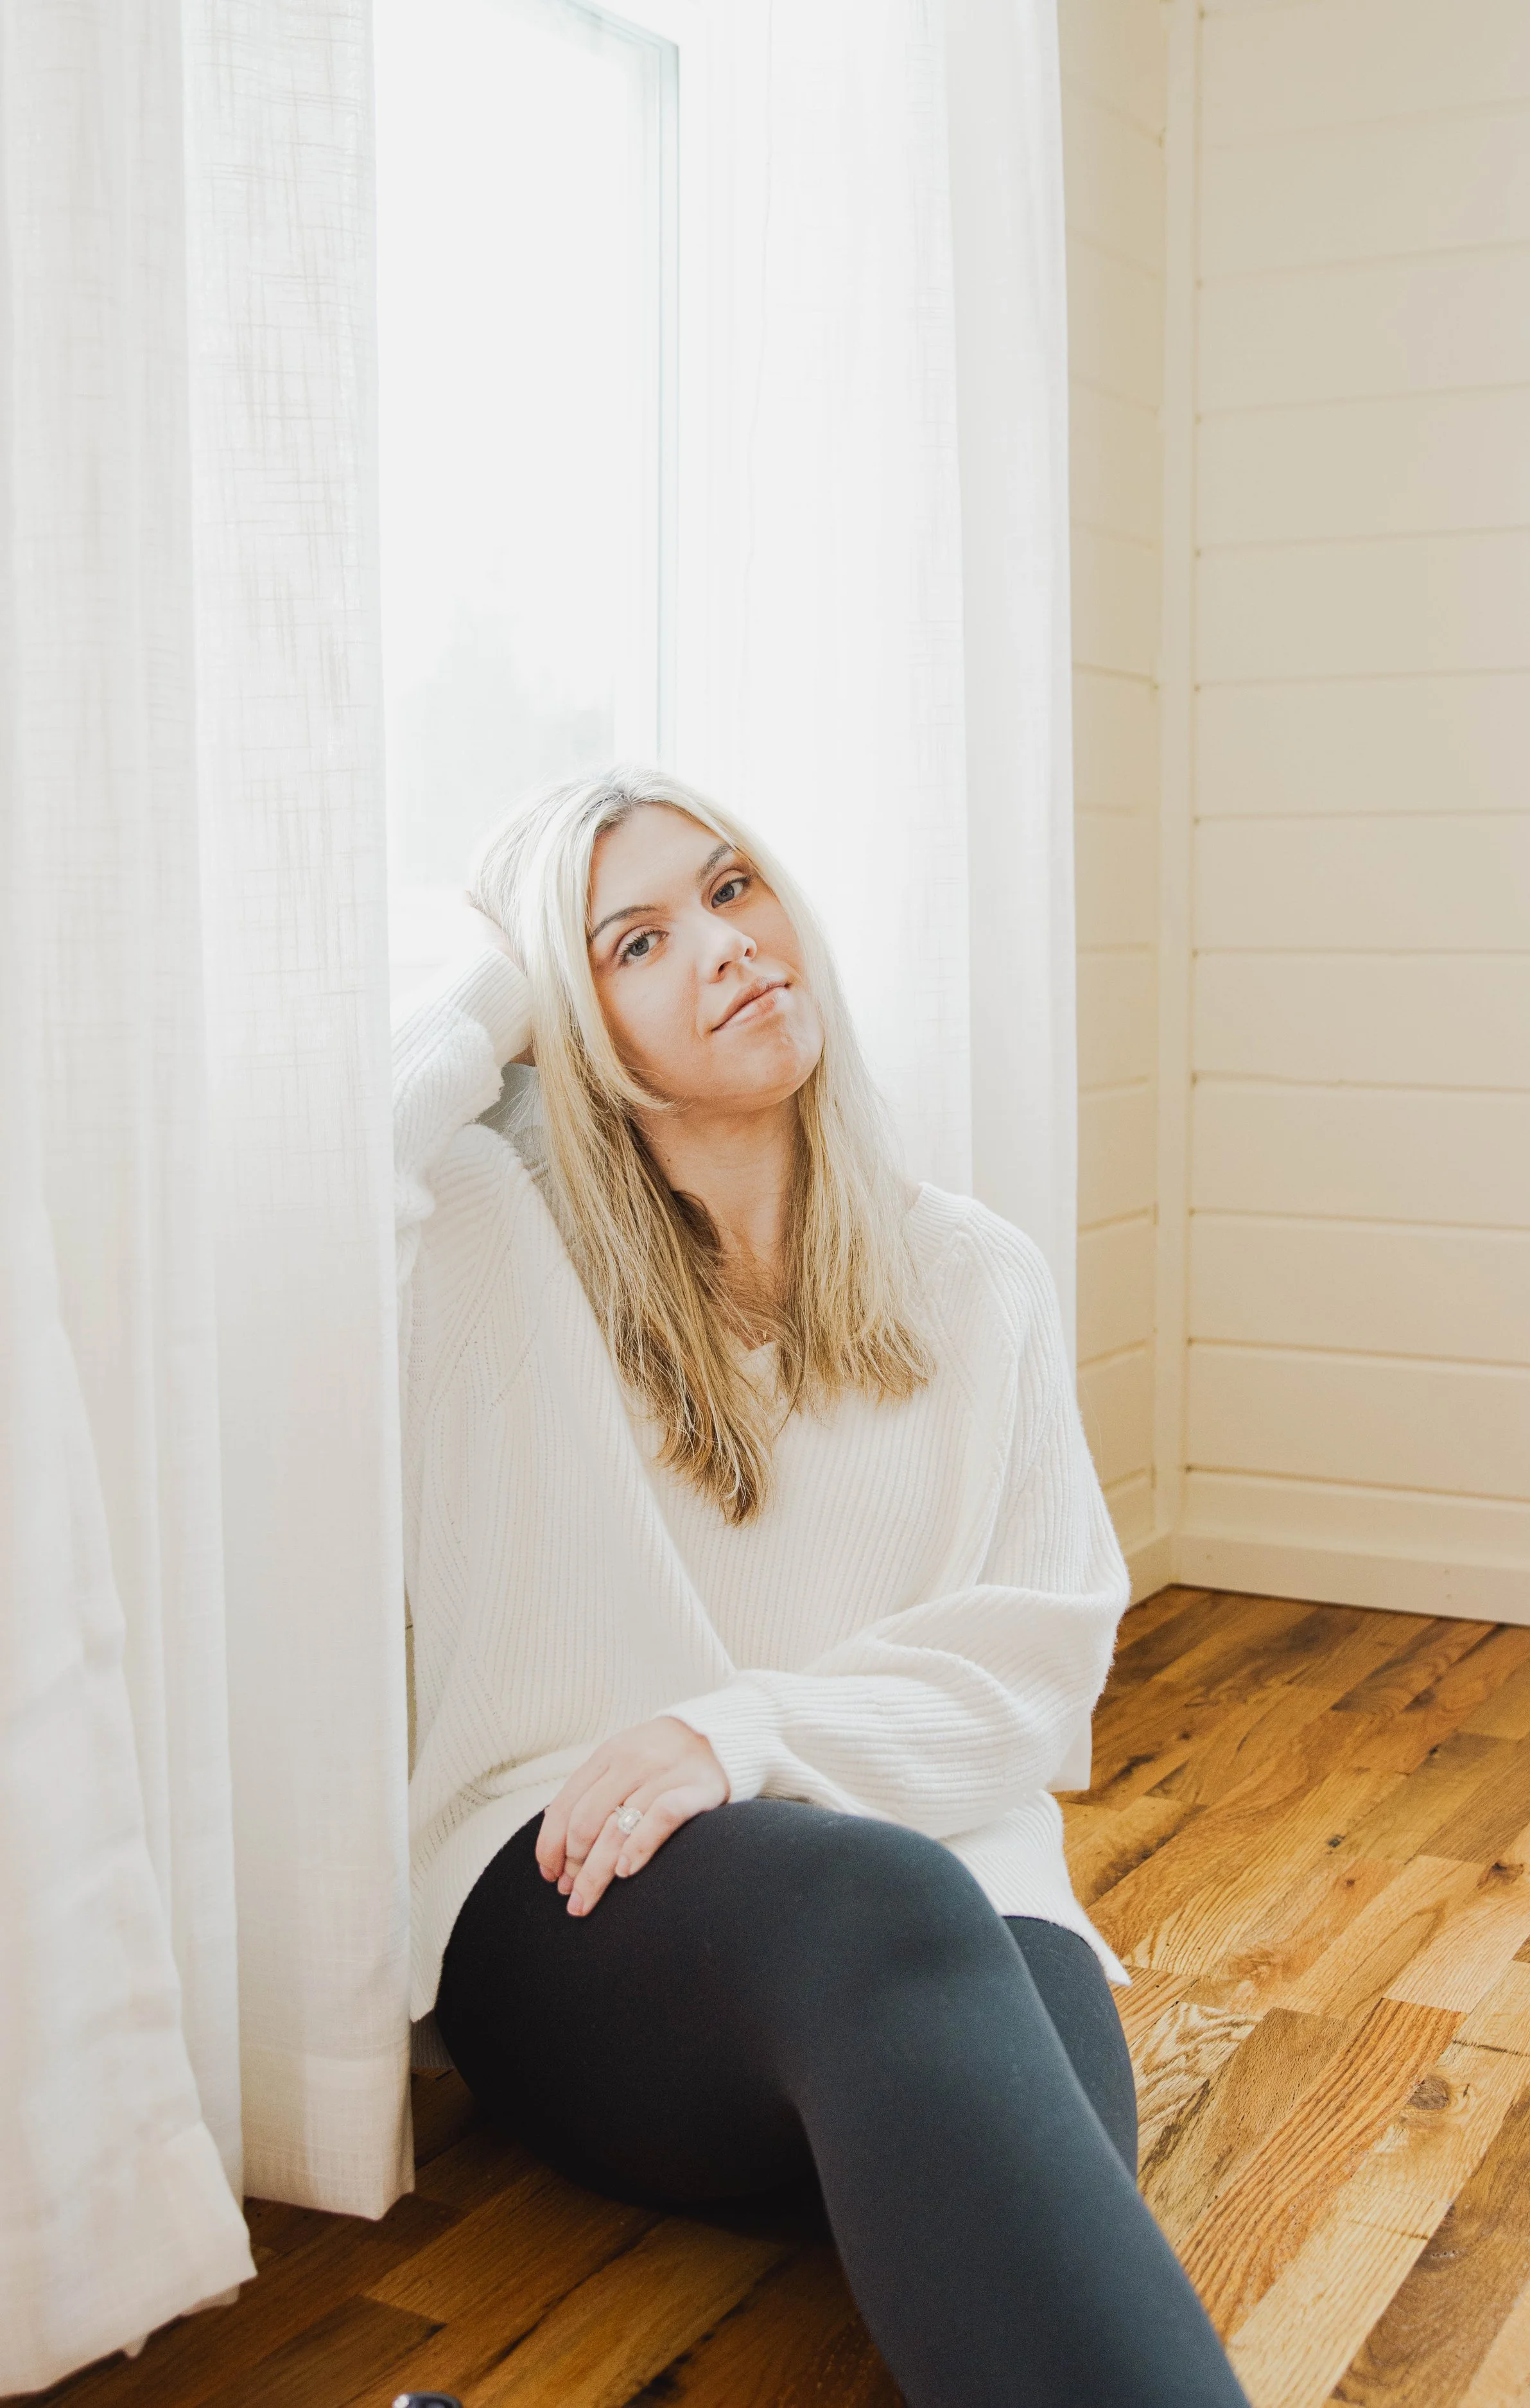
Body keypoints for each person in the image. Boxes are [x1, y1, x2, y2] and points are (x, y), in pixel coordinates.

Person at [394, 767, 1248, 2408]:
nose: (722, 946)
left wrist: (741, 1729)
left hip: (933, 1884)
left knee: (1037, 2227)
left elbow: (1038, 1661)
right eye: (634, 944)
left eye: (728, 889)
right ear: (568, 1024)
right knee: (891, 1922)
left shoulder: (974, 1274)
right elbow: (301, 1177)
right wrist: (496, 984)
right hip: (582, 1884)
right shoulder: (501, 1236)